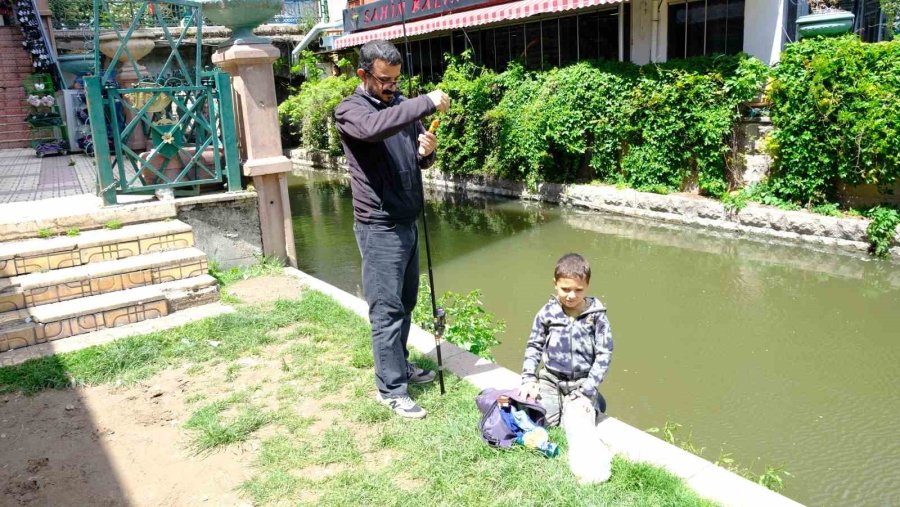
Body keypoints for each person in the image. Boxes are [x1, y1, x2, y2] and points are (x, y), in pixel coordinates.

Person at [334, 40, 451, 419]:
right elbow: (374, 129)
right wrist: (426, 101)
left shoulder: (400, 106)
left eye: (396, 80)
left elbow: (416, 156)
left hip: (407, 220)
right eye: (385, 80)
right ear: (363, 74)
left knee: (406, 303)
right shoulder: (351, 111)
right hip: (379, 226)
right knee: (385, 311)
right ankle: (391, 390)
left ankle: (398, 365)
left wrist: (426, 151)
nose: (391, 87)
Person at [519, 253, 613, 426]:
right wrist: (528, 379)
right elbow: (534, 345)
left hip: (582, 382)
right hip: (551, 379)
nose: (571, 295)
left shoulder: (597, 316)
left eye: (579, 290)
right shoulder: (547, 313)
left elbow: (604, 354)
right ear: (555, 283)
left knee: (574, 425)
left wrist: (588, 388)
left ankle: (594, 400)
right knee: (543, 421)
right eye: (565, 289)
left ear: (587, 285)